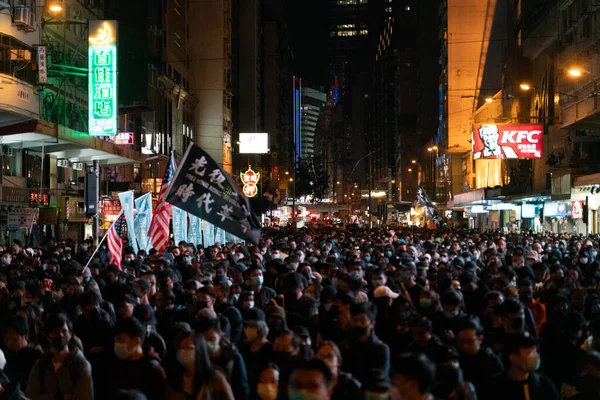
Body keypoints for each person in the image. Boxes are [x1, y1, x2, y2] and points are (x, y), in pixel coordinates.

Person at [25, 313, 93, 400]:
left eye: (64, 331)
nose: (60, 335)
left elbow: (84, 397)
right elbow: (30, 396)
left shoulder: (81, 364)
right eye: (55, 332)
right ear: (48, 336)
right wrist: (59, 396)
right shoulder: (41, 364)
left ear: (70, 334)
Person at [165, 326, 234, 400]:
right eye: (180, 348)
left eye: (187, 347)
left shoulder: (215, 379)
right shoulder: (175, 380)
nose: (182, 351)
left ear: (199, 351)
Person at [108, 317, 167, 400]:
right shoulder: (114, 363)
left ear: (136, 341)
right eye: (115, 342)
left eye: (121, 341)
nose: (117, 345)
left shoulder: (154, 371)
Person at [486, 332, 558, 400]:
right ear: (513, 357)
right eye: (531, 353)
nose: (536, 356)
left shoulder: (544, 386)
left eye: (535, 351)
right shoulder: (496, 387)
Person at [339, 302, 390, 386]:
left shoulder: (381, 349)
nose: (358, 324)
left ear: (372, 323)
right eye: (355, 320)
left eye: (363, 320)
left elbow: (381, 378)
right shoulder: (343, 347)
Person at [199, 318, 249, 400]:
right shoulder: (199, 357)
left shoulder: (233, 357)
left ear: (219, 336)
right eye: (204, 341)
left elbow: (242, 388)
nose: (207, 344)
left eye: (211, 339)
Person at [2, 316, 43, 390]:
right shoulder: (9, 357)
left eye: (12, 337)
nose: (9, 342)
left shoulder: (36, 356)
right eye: (6, 338)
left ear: (24, 335)